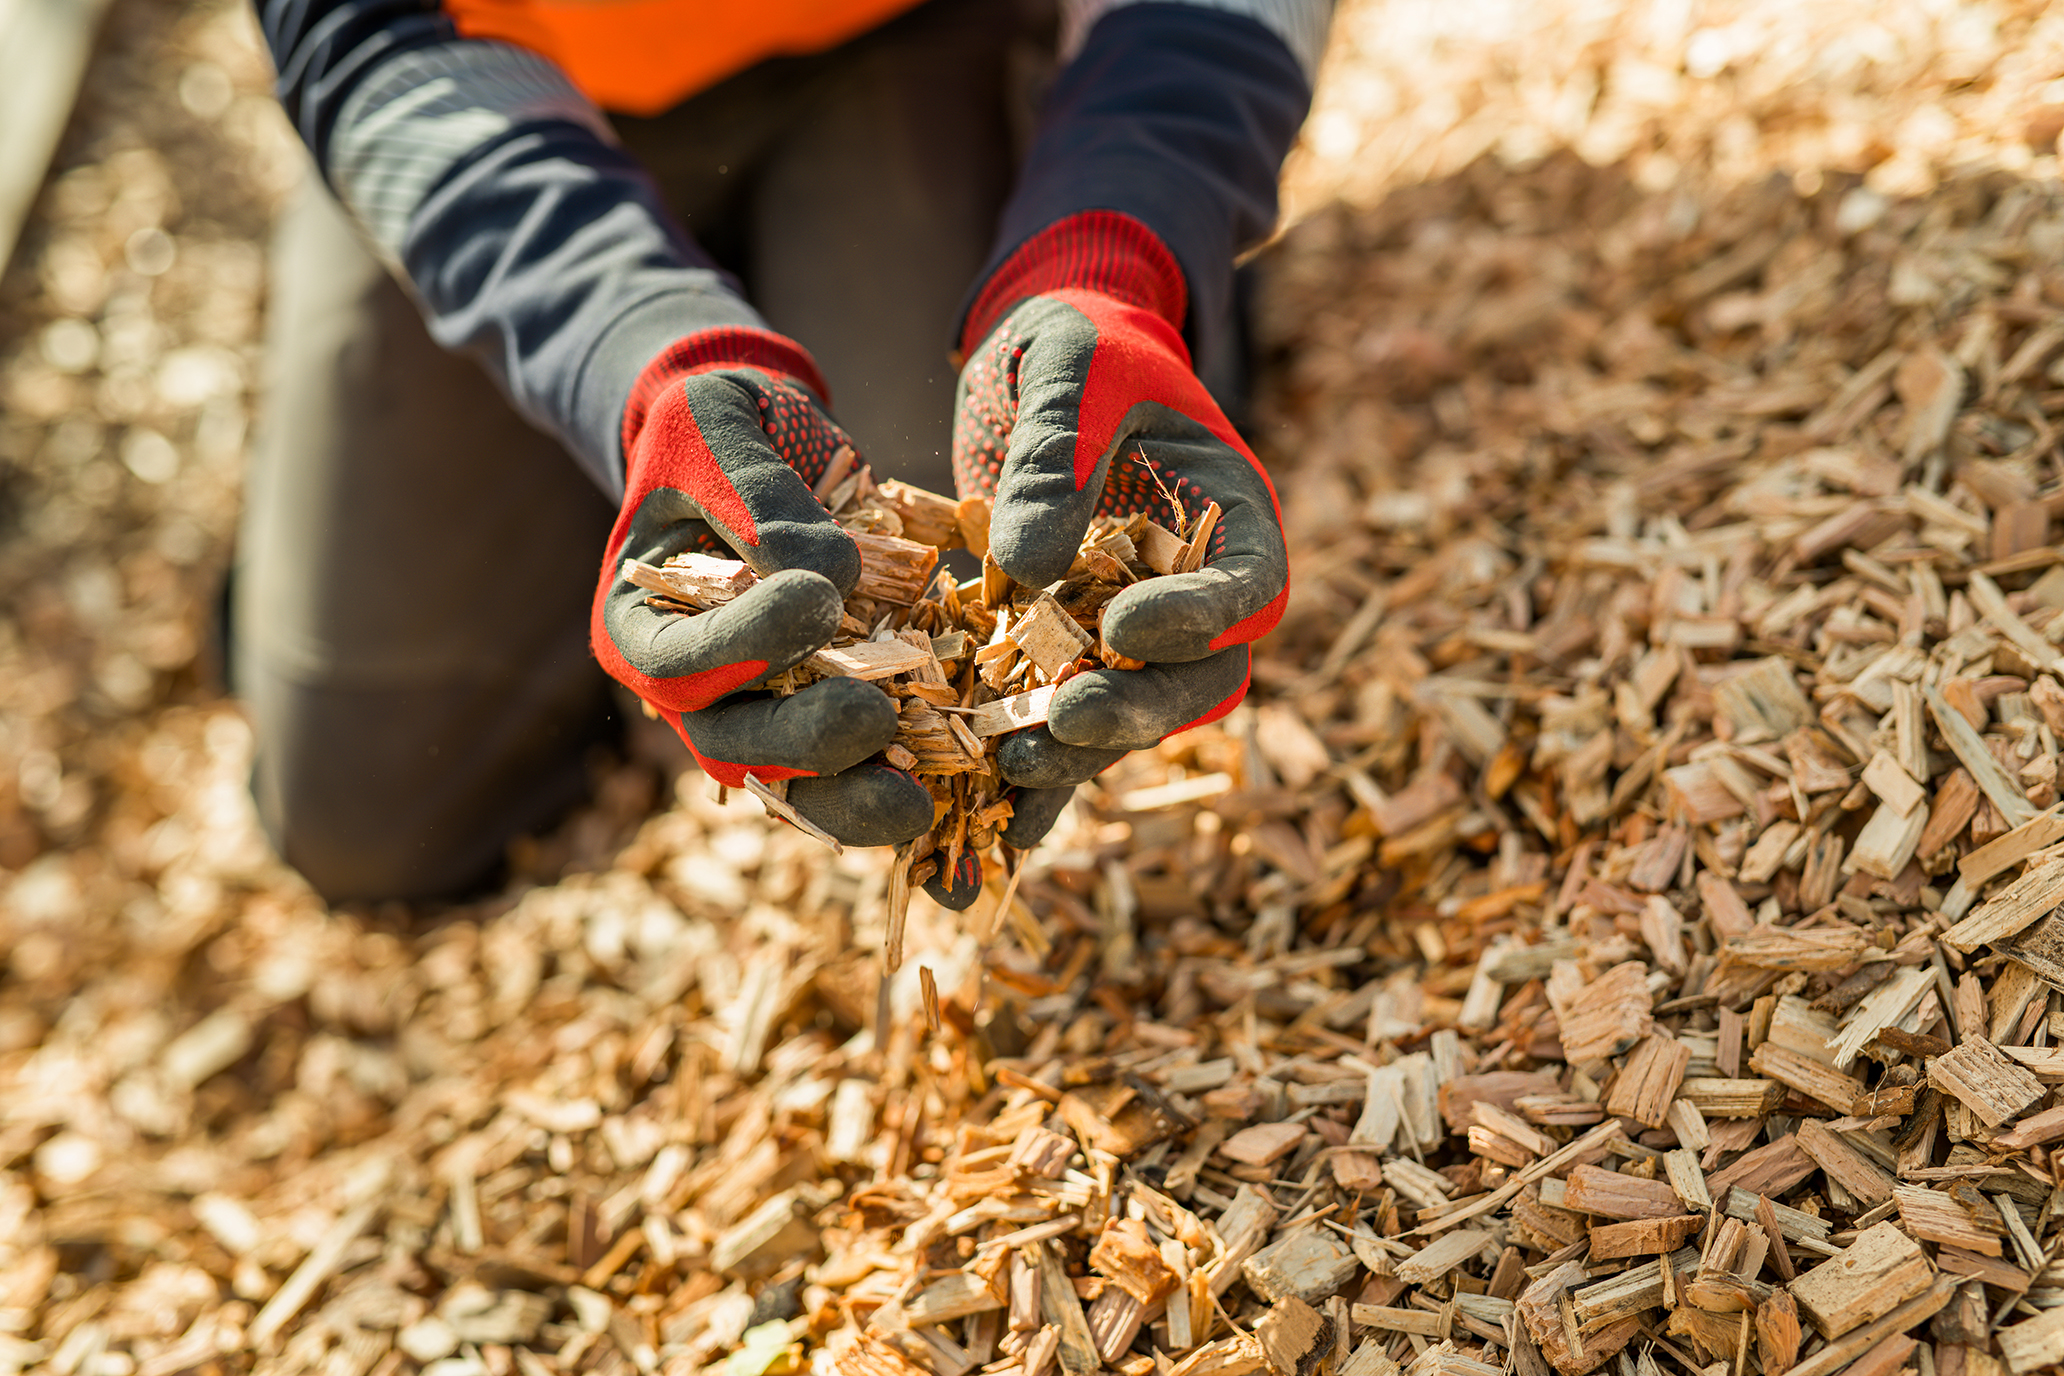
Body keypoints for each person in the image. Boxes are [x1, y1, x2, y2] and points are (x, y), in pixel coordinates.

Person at [242, 0, 1319, 907]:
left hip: (911, 37)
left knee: (962, 645)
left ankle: (1099, 233)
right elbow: (354, 29)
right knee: (374, 817)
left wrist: (1115, 253)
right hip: (491, 95)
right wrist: (640, 364)